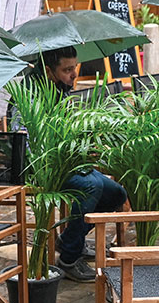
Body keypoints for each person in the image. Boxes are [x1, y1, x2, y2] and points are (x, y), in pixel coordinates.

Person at [15, 47, 126, 282]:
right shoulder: (28, 94)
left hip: (65, 163)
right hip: (40, 168)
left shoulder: (59, 89)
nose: (74, 75)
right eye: (67, 70)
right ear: (48, 71)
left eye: (74, 68)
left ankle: (69, 239)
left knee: (117, 193)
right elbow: (23, 144)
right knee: (91, 186)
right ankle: (68, 258)